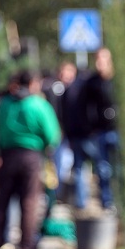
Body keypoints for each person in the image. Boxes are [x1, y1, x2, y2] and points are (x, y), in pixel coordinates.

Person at [0, 71, 60, 249]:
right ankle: (26, 246)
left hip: (8, 156)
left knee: (2, 200)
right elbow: (52, 135)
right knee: (29, 201)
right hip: (31, 156)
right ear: (32, 84)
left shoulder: (4, 105)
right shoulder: (38, 105)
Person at [64, 47, 118, 211]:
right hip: (99, 132)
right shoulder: (91, 83)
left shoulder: (117, 81)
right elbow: (83, 107)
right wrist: (89, 126)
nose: (100, 62)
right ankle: (106, 201)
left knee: (119, 169)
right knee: (103, 169)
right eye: (98, 59)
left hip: (116, 130)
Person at [44, 61, 79, 202]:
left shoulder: (76, 89)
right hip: (58, 133)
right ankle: (56, 194)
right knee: (56, 164)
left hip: (73, 133)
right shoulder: (55, 89)